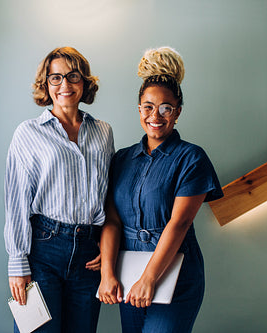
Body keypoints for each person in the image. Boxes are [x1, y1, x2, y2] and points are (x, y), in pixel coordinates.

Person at [98, 46, 223, 333]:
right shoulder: (121, 159)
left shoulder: (192, 158)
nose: (156, 115)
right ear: (139, 109)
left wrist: (150, 278)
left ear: (177, 112)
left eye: (166, 107)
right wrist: (107, 272)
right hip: (128, 270)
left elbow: (178, 224)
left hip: (175, 273)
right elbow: (113, 220)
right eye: (148, 106)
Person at [4, 46, 115, 333]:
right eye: (55, 78)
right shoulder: (27, 133)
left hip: (89, 255)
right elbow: (16, 201)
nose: (64, 85)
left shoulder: (103, 131)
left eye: (73, 76)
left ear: (85, 82)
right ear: (46, 84)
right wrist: (17, 264)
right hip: (43, 251)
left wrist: (106, 246)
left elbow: (107, 195)